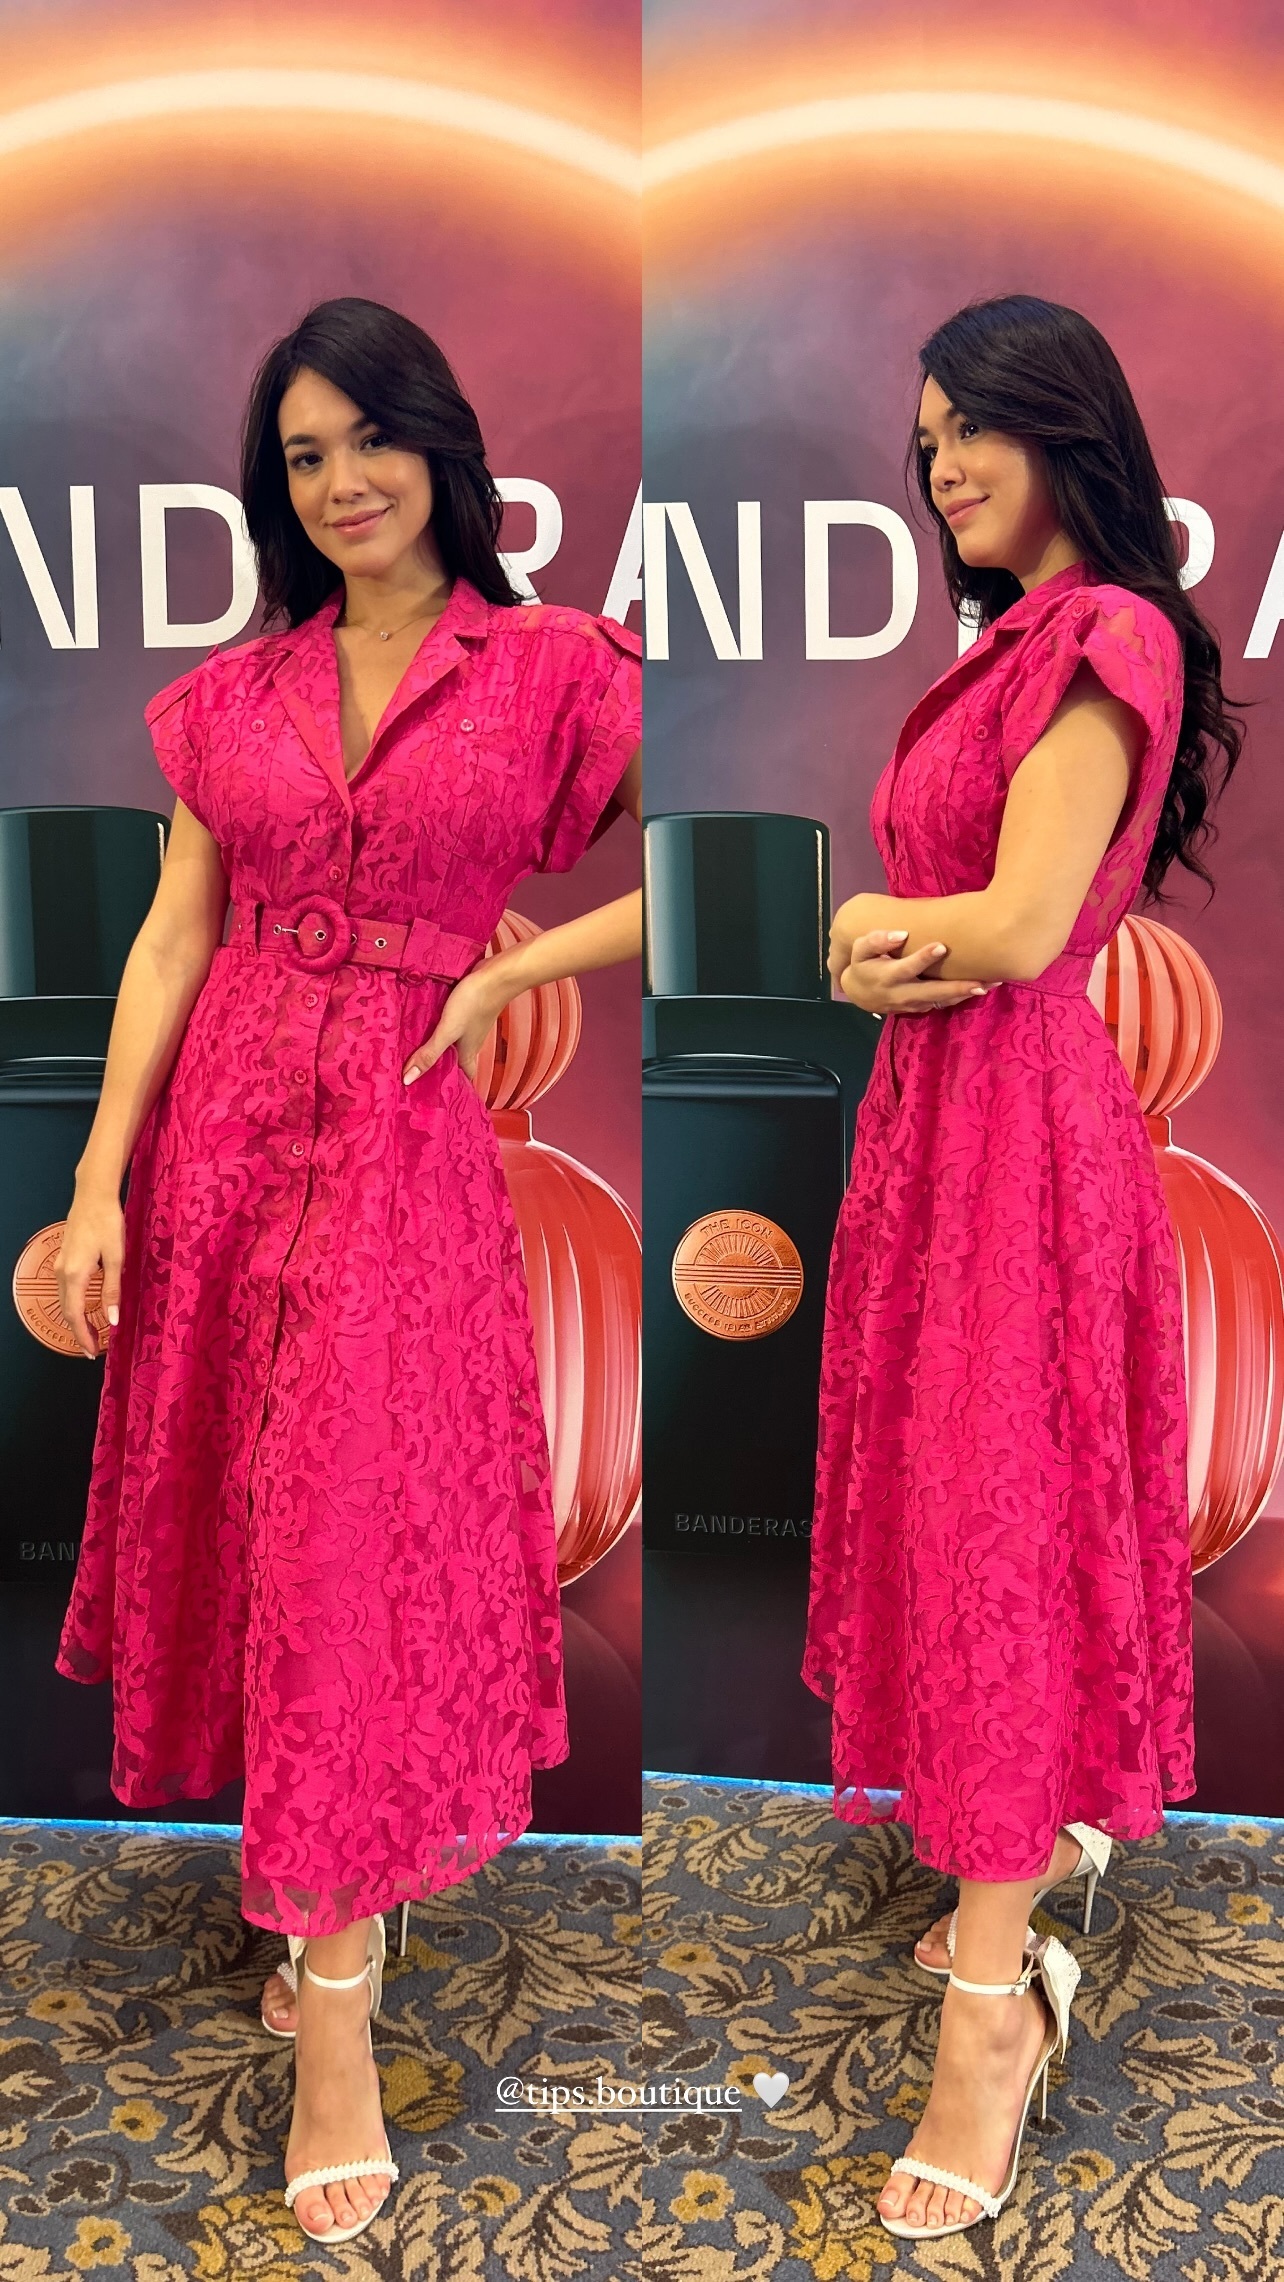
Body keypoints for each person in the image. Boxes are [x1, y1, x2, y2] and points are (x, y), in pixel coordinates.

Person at [54, 297, 642, 2247]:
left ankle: (334, 2013)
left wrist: (506, 967)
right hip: (221, 1145)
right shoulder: (233, 695)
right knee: (255, 1536)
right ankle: (320, 1901)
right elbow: (171, 934)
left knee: (344, 1544)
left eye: (369, 437)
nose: (341, 481)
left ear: (440, 445)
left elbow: (712, 845)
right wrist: (99, 1180)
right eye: (302, 456)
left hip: (401, 1154)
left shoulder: (555, 667)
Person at [802, 294, 1242, 2243]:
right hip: (941, 1125)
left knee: (1000, 1527)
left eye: (971, 426)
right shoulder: (1009, 639)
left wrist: (878, 931)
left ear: (1065, 425)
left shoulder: (1108, 630)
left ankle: (996, 2014)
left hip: (1022, 1138)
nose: (943, 466)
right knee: (968, 1513)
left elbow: (1023, 917)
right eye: (925, 442)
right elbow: (951, 928)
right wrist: (886, 949)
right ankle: (1019, 1855)